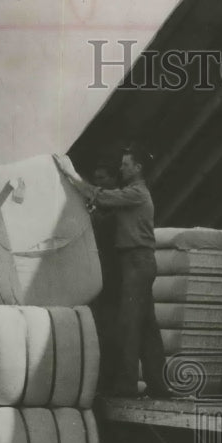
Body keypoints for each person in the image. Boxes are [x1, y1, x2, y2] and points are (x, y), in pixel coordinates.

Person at [56, 149, 169, 398]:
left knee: (128, 324)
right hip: (139, 261)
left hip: (136, 261)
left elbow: (99, 196)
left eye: (126, 165)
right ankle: (158, 384)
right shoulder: (135, 196)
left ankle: (127, 385)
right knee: (147, 325)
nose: (121, 169)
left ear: (138, 168)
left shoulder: (136, 193)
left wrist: (70, 175)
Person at [88, 163, 120, 385]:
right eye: (96, 178)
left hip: (111, 271)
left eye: (102, 177)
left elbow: (106, 227)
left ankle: (108, 377)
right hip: (100, 268)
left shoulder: (116, 203)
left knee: (109, 325)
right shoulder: (101, 206)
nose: (99, 183)